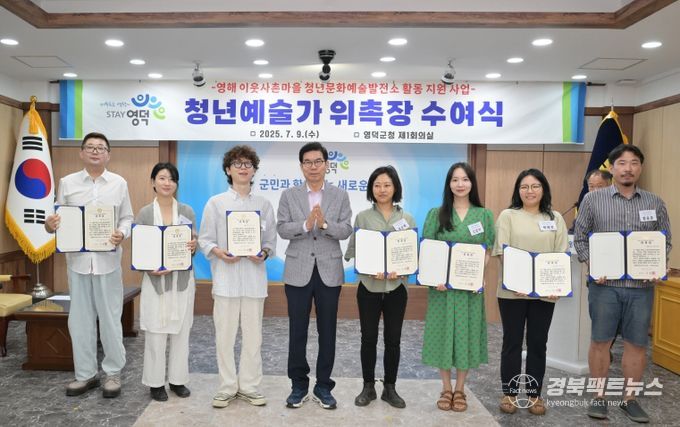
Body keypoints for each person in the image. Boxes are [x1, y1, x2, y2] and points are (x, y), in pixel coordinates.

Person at [575, 144, 671, 423]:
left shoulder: (654, 202)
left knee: (637, 344)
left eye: (634, 163)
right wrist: (592, 264)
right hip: (604, 286)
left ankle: (630, 399)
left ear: (640, 167)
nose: (628, 168)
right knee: (600, 341)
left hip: (641, 288)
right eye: (622, 163)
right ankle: (599, 397)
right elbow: (580, 238)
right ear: (612, 167)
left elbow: (664, 240)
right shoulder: (593, 200)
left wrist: (657, 265)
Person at [45, 132, 133, 398]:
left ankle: (113, 373)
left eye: (101, 148)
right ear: (81, 153)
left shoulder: (119, 183)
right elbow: (57, 219)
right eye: (90, 147)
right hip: (78, 262)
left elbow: (127, 217)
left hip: (108, 262)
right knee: (80, 320)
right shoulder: (67, 182)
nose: (96, 151)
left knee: (110, 319)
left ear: (108, 155)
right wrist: (50, 225)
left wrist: (121, 233)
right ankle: (85, 374)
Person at [198, 145, 277, 409]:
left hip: (254, 281)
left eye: (248, 164)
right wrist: (218, 252)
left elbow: (270, 242)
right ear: (228, 170)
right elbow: (205, 239)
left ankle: (250, 387)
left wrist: (263, 253)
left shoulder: (263, 204)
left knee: (254, 338)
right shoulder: (216, 203)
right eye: (237, 164)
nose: (243, 168)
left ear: (254, 170)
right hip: (226, 280)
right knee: (225, 337)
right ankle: (226, 387)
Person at [277, 141, 353, 410]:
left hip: (329, 271)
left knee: (327, 331)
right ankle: (298, 386)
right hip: (298, 270)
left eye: (318, 161)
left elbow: (346, 229)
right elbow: (282, 229)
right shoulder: (289, 195)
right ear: (301, 166)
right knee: (297, 330)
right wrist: (306, 224)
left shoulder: (340, 195)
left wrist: (324, 224)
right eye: (308, 162)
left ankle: (323, 386)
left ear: (326, 164)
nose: (313, 166)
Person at [492, 168, 568, 416]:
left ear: (543, 189)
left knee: (538, 343)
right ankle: (510, 393)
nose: (530, 191)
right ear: (518, 191)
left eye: (535, 186)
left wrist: (555, 286)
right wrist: (517, 282)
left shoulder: (555, 218)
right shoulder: (508, 216)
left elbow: (560, 255)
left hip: (544, 294)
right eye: (524, 187)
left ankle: (535, 395)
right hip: (513, 293)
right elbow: (502, 252)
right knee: (512, 342)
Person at [421, 162, 495, 412]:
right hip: (441, 289)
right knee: (442, 334)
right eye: (455, 180)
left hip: (469, 290)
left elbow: (487, 249)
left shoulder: (484, 215)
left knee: (466, 335)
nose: (460, 184)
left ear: (472, 183)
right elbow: (429, 249)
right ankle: (445, 388)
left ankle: (460, 389)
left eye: (465, 179)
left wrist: (479, 276)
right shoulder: (436, 214)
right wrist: (435, 278)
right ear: (448, 184)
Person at [344, 166, 415, 409]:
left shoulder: (407, 219)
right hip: (368, 286)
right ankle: (368, 387)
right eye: (377, 185)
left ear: (395, 188)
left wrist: (403, 268)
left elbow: (411, 254)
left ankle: (390, 388)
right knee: (368, 338)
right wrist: (366, 264)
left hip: (397, 287)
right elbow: (354, 249)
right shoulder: (363, 217)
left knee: (393, 340)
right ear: (371, 189)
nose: (382, 189)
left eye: (387, 185)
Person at [137, 162, 197, 402]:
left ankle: (178, 380)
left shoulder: (186, 211)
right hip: (155, 282)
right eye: (162, 178)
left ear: (176, 184)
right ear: (153, 182)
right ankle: (155, 383)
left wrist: (193, 246)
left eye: (172, 179)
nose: (167, 183)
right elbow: (140, 249)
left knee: (181, 332)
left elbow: (193, 243)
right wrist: (149, 268)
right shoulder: (145, 213)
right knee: (156, 332)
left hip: (181, 280)